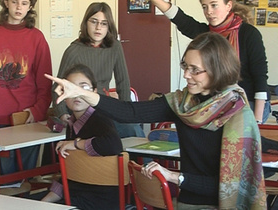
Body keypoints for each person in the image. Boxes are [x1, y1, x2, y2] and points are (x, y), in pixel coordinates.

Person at [46, 32, 266, 209]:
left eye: (195, 70)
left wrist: (174, 176)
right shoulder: (182, 103)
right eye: (185, 66)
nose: (186, 75)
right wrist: (83, 93)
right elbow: (129, 112)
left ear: (218, 70)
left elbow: (235, 186)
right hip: (189, 201)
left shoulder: (237, 114)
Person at [151, 0, 270, 124]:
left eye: (214, 5)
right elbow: (182, 20)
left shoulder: (249, 33)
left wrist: (257, 120)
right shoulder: (208, 34)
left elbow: (260, 76)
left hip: (249, 102)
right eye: (204, 7)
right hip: (220, 102)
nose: (209, 12)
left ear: (228, 5)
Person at [52, 2, 145, 138]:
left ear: (109, 26)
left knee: (133, 128)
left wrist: (127, 112)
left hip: (104, 105)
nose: (98, 28)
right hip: (82, 108)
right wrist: (62, 113)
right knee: (123, 132)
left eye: (103, 23)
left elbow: (123, 82)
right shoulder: (73, 50)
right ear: (86, 23)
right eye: (94, 22)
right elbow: (57, 86)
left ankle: (142, 159)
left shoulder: (115, 47)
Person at [42, 64, 123, 210]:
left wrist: (76, 144)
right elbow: (69, 173)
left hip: (100, 200)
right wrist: (43, 202)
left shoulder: (100, 117)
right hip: (76, 194)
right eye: (70, 88)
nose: (77, 94)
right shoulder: (73, 123)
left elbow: (114, 145)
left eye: (83, 88)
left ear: (94, 93)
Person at [0, 0, 52, 175]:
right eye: (14, 1)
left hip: (26, 120)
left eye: (24, 2)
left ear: (30, 6)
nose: (19, 7)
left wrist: (37, 111)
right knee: (5, 184)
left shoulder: (37, 38)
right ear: (6, 3)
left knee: (25, 179)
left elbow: (45, 84)